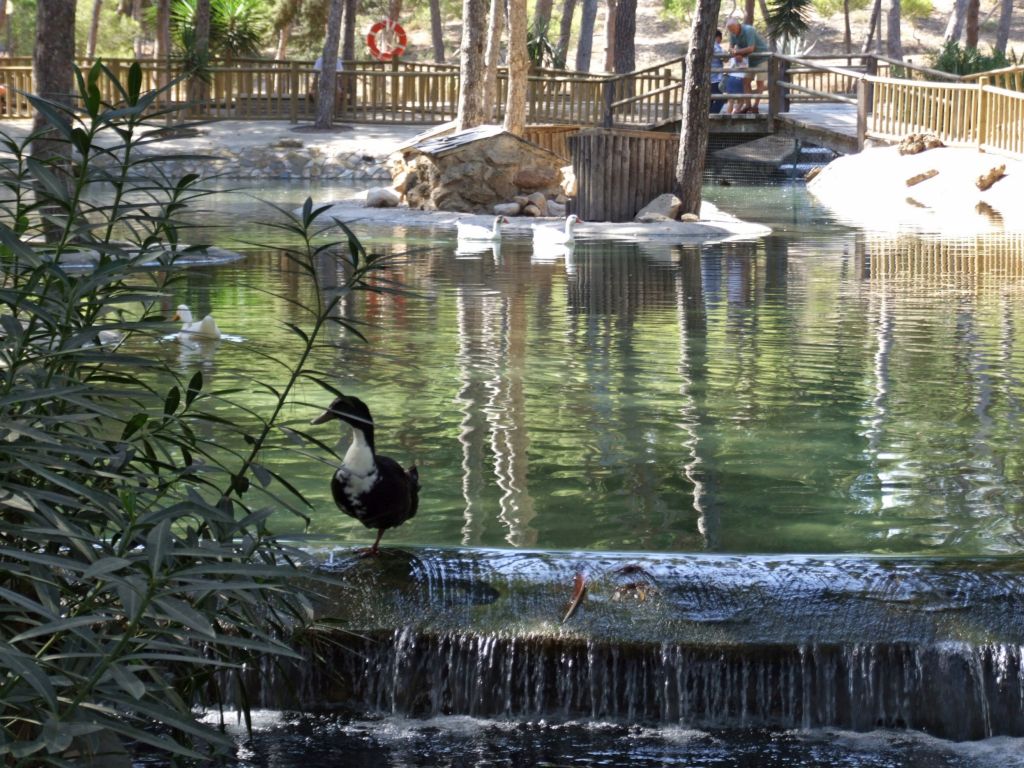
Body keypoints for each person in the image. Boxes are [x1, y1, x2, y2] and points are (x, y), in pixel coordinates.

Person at [725, 16, 769, 114]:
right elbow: (731, 48)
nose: (732, 32)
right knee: (746, 81)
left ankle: (755, 106)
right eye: (730, 30)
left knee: (760, 82)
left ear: (738, 26)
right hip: (748, 60)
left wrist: (737, 52)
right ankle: (748, 106)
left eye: (732, 29)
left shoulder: (749, 30)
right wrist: (735, 53)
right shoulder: (732, 34)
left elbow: (751, 48)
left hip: (761, 58)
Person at [710, 29, 726, 115]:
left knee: (711, 99)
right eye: (720, 38)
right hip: (715, 78)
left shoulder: (709, 45)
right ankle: (711, 114)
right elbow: (723, 57)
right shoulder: (715, 46)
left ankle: (708, 114)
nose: (721, 40)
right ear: (718, 37)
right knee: (721, 98)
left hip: (711, 77)